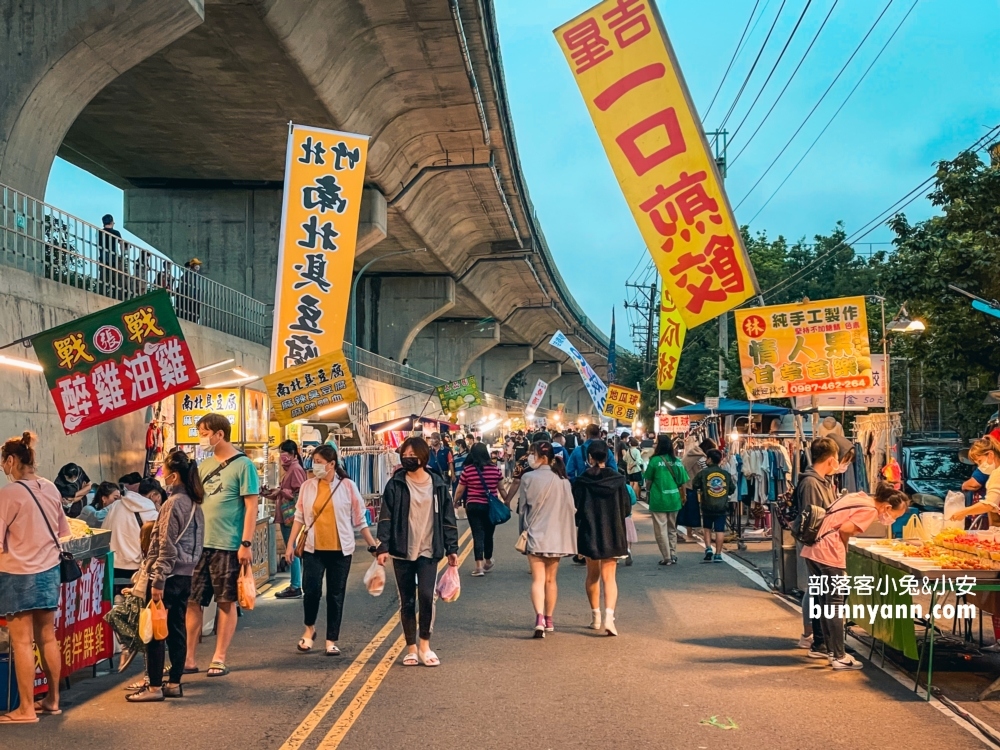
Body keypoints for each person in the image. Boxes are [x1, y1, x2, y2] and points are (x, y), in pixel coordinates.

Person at [126, 450, 205, 702]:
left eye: (165, 472)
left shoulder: (172, 504)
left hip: (167, 577)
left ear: (174, 475)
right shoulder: (195, 504)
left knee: (155, 631)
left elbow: (165, 545)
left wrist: (158, 579)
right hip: (186, 576)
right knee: (177, 628)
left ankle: (154, 688)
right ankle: (174, 683)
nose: (163, 477)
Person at [802, 482, 908, 670]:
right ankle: (839, 656)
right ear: (887, 507)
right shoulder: (870, 510)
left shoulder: (858, 497)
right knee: (834, 604)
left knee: (823, 601)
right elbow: (845, 529)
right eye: (895, 515)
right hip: (829, 554)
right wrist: (842, 551)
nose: (891, 519)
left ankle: (825, 648)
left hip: (813, 550)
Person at [184, 413, 260, 678]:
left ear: (219, 434)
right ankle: (189, 657)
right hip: (199, 544)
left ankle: (219, 657)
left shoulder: (243, 465)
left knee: (226, 600)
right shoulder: (203, 466)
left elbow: (252, 507)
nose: (202, 438)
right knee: (193, 600)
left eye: (205, 433)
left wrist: (246, 543)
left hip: (228, 544)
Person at [0, 432, 68, 723]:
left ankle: (26, 709)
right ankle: (52, 700)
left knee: (22, 642)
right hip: (49, 570)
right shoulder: (50, 488)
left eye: (3, 462)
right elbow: (63, 531)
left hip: (17, 573)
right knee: (47, 638)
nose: (3, 467)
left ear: (12, 460)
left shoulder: (9, 494)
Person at [285, 445, 377, 656]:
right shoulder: (308, 486)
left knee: (336, 595)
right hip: (312, 549)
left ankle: (331, 640)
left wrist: (373, 545)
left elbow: (360, 520)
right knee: (311, 591)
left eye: (318, 461)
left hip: (340, 550)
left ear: (332, 464)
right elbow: (299, 516)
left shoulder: (348, 486)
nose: (314, 465)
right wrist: (290, 544)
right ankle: (309, 630)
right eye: (314, 461)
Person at [376, 437, 459, 667]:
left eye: (412, 454)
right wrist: (382, 546)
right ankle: (411, 648)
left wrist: (452, 548)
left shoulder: (438, 484)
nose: (408, 457)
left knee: (426, 595)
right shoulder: (395, 484)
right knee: (407, 601)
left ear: (423, 457)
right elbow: (386, 517)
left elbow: (447, 517)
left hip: (429, 550)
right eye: (405, 453)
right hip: (402, 550)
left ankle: (425, 645)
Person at [518, 441, 576, 637]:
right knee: (551, 580)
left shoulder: (527, 478)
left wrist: (523, 533)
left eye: (531, 453)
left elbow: (522, 509)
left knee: (538, 579)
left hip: (535, 534)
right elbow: (570, 509)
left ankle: (539, 619)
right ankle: (549, 620)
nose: (529, 457)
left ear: (541, 457)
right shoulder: (564, 481)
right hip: (557, 537)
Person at [572, 440, 629, 636]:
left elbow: (575, 510)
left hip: (590, 532)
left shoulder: (582, 481)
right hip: (613, 532)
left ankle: (595, 617)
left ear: (589, 458)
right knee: (610, 578)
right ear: (607, 457)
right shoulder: (618, 480)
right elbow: (627, 508)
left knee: (592, 575)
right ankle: (609, 618)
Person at [793, 436, 842, 655]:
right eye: (838, 459)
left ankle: (821, 640)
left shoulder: (822, 481)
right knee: (819, 594)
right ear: (831, 460)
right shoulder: (811, 482)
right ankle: (818, 641)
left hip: (823, 547)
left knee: (820, 594)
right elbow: (812, 517)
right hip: (818, 548)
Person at [454, 443, 503, 577]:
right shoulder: (495, 469)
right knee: (489, 534)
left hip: (473, 505)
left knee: (477, 535)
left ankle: (479, 567)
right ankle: (488, 561)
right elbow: (501, 488)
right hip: (490, 507)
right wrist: (507, 501)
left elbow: (459, 490)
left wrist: (454, 502)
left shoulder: (468, 470)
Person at [103, 475, 159, 592]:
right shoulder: (152, 514)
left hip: (112, 566)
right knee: (133, 606)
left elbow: (105, 531)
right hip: (136, 569)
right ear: (153, 495)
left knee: (115, 606)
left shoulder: (115, 505)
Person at [268, 440, 308, 600]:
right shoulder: (290, 469)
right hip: (286, 515)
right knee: (291, 549)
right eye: (280, 453)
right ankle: (295, 584)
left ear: (292, 454)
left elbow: (298, 494)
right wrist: (276, 493)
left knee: (292, 550)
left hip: (291, 516)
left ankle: (296, 585)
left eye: (284, 453)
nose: (281, 456)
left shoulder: (296, 469)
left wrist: (281, 491)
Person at [643, 434, 688, 565]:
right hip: (674, 499)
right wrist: (683, 496)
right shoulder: (677, 461)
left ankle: (667, 557)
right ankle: (673, 554)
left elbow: (648, 481)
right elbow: (683, 482)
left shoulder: (654, 461)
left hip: (659, 499)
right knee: (672, 528)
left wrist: (647, 492)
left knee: (660, 530)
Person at [693, 449, 736, 563]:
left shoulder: (703, 473)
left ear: (710, 459)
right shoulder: (725, 474)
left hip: (707, 505)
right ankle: (718, 554)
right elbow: (732, 489)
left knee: (707, 529)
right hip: (721, 507)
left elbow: (695, 484)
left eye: (707, 458)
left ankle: (708, 549)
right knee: (719, 530)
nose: (706, 460)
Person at [99, 214, 125, 300]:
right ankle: (118, 298)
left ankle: (101, 295)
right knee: (117, 281)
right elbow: (121, 244)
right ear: (112, 222)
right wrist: (122, 255)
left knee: (103, 279)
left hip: (103, 258)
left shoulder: (100, 232)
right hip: (114, 259)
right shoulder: (116, 233)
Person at [178, 258, 203, 323]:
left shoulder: (197, 276)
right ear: (192, 265)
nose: (198, 266)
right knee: (188, 313)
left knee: (195, 314)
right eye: (196, 264)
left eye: (198, 264)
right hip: (188, 298)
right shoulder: (187, 275)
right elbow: (183, 287)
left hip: (195, 299)